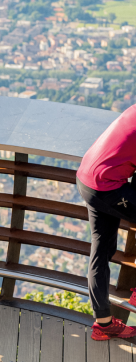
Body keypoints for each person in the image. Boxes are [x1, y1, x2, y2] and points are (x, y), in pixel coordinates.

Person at [77, 105, 136, 340]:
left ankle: (103, 323)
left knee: (101, 251)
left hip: (87, 179)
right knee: (101, 251)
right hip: (107, 187)